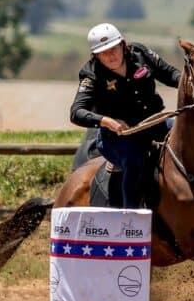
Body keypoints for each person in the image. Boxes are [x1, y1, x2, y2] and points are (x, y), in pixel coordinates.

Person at [69, 22, 181, 208]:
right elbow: (76, 112)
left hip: (155, 123)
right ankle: (131, 218)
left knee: (187, 135)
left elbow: (170, 74)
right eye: (103, 52)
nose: (110, 55)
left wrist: (192, 86)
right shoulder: (90, 74)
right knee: (134, 160)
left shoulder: (142, 54)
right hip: (117, 137)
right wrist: (106, 121)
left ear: (123, 44)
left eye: (114, 48)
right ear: (96, 55)